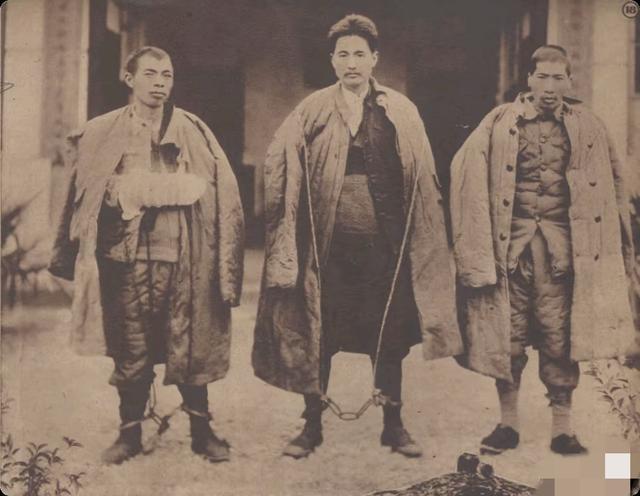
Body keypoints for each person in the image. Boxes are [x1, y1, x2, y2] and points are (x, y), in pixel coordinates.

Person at [252, 14, 461, 459]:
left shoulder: (400, 110)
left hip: (384, 249)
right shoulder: (311, 110)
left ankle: (394, 425)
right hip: (328, 248)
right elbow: (279, 164)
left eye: (359, 54)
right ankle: (311, 426)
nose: (351, 63)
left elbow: (423, 178)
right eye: (343, 54)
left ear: (374, 59)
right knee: (319, 332)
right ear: (331, 60)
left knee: (389, 335)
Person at [49, 46, 245, 465]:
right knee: (130, 343)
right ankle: (129, 434)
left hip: (184, 256)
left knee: (188, 342)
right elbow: (84, 192)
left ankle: (202, 432)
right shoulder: (102, 131)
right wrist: (123, 192)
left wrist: (184, 191)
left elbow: (221, 192)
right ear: (129, 78)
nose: (159, 83)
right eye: (151, 74)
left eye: (167, 75)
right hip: (126, 256)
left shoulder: (193, 129)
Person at [450, 45, 635, 455]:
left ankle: (562, 430)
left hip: (563, 256)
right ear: (529, 80)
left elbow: (614, 186)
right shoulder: (499, 122)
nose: (550, 87)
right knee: (508, 337)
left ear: (569, 81)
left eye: (558, 78)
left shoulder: (589, 127)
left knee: (559, 338)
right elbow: (465, 172)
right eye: (543, 77)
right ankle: (507, 425)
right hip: (509, 253)